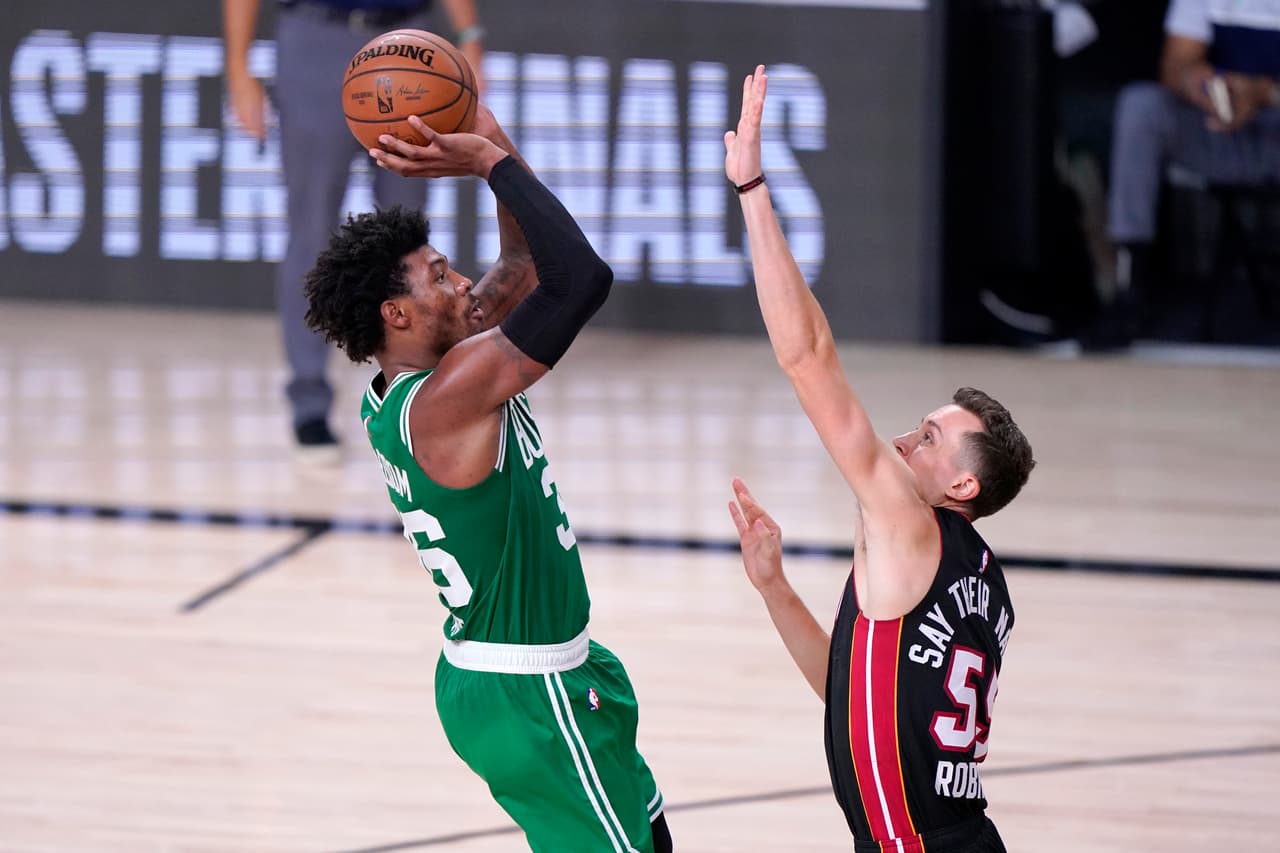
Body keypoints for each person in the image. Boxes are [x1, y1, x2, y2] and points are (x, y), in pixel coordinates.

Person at [302, 106, 671, 852]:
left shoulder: (435, 371)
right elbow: (581, 281)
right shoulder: (447, 398)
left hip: (547, 669)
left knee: (650, 835)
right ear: (396, 312)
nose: (465, 281)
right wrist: (487, 166)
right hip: (528, 690)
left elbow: (530, 265)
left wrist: (486, 130)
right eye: (441, 275)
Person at [723, 66, 1035, 851]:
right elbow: (851, 692)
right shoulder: (976, 576)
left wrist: (753, 187)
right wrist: (774, 588)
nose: (902, 442)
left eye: (928, 438)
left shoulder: (909, 525)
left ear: (963, 482)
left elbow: (809, 359)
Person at [222, 0, 486, 461]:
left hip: (408, 45)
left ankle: (422, 402)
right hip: (316, 40)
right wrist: (238, 68)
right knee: (311, 234)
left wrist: (469, 37)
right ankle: (309, 404)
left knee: (411, 243)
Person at [1087, 0, 1280, 350]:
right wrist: (1199, 83)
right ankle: (1130, 287)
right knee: (1142, 105)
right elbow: (1177, 63)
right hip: (1223, 126)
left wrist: (1264, 92)